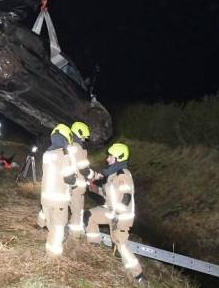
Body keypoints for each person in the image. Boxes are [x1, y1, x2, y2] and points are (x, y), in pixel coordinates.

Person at [85, 143, 145, 284]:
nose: (107, 159)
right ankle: (94, 247)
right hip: (111, 212)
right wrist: (94, 189)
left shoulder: (122, 175)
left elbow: (126, 197)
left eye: (110, 156)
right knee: (89, 216)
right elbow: (109, 194)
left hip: (121, 217)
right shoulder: (112, 175)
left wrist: (118, 216)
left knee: (121, 243)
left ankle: (139, 275)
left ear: (118, 158)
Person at [36, 124, 77, 257]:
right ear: (66, 139)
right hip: (59, 200)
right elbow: (70, 179)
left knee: (52, 227)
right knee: (58, 228)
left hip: (45, 198)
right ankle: (53, 256)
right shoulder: (64, 154)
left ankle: (49, 249)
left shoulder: (47, 153)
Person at [67, 121, 95, 238]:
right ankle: (75, 236)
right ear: (79, 134)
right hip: (77, 186)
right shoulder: (78, 148)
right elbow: (84, 170)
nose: (84, 139)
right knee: (77, 211)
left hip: (66, 184)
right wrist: (93, 175)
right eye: (83, 137)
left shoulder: (67, 146)